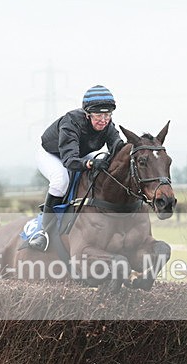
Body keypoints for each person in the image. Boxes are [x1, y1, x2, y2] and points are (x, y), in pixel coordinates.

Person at [28, 85, 126, 251]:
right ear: (87, 114)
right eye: (98, 115)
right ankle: (43, 231)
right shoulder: (71, 122)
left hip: (78, 154)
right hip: (53, 154)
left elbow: (118, 147)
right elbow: (70, 160)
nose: (104, 119)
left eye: (107, 114)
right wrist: (89, 164)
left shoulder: (108, 125)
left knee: (102, 165)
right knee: (61, 181)